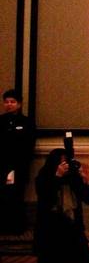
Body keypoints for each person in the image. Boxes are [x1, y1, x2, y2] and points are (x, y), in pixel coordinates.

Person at [34, 148, 89, 263]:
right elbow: (46, 198)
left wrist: (87, 181)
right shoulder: (44, 176)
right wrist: (57, 176)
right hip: (51, 227)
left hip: (72, 225)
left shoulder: (73, 178)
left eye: (66, 162)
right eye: (61, 163)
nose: (65, 166)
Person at [0, 89, 35, 234]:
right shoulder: (0, 121)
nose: (9, 105)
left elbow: (28, 145)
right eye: (6, 102)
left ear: (19, 104)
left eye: (12, 102)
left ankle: (17, 226)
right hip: (2, 165)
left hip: (19, 166)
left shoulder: (26, 122)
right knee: (3, 196)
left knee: (17, 196)